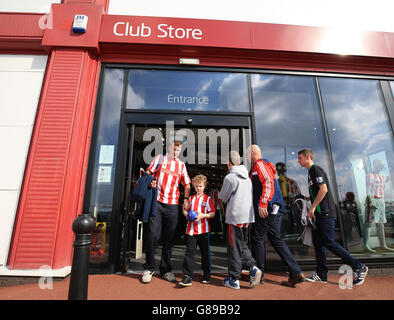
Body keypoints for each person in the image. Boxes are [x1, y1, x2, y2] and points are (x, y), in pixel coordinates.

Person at [297, 148, 368, 286]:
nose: (298, 161)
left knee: (329, 242)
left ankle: (358, 266)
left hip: (326, 213)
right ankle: (321, 274)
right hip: (320, 214)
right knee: (318, 243)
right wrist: (306, 198)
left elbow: (324, 189)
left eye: (300, 158)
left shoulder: (315, 170)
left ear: (307, 158)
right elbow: (318, 192)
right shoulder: (310, 173)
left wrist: (311, 208)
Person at [247, 145, 305, 287]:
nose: (248, 157)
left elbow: (268, 183)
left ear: (253, 153)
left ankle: (259, 274)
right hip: (274, 209)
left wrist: (263, 203)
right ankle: (295, 272)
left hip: (268, 209)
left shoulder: (260, 164)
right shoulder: (263, 165)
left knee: (258, 238)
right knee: (275, 239)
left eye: (248, 154)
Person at [142, 140, 191, 284]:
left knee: (169, 238)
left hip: (172, 205)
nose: (175, 152)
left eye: (178, 150)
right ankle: (149, 268)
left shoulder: (181, 165)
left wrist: (186, 199)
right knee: (153, 235)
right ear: (169, 148)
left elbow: (187, 184)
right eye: (174, 149)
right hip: (156, 202)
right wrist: (150, 181)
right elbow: (148, 172)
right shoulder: (160, 159)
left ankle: (165, 269)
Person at [218, 151, 262, 290]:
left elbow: (223, 197)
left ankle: (233, 279)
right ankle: (252, 267)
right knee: (241, 245)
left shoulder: (230, 178)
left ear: (228, 162)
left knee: (234, 248)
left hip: (235, 216)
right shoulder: (247, 178)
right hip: (247, 217)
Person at [179, 174, 215, 287]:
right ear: (193, 186)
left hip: (204, 230)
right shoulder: (190, 198)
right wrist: (187, 215)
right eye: (196, 186)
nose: (198, 188)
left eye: (200, 186)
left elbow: (212, 213)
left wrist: (202, 216)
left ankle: (207, 273)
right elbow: (184, 210)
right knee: (190, 253)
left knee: (205, 253)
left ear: (204, 186)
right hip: (191, 230)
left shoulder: (208, 199)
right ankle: (187, 276)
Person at [364, 159, 394, 252]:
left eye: (381, 165)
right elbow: (368, 189)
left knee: (381, 223)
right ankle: (366, 245)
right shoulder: (370, 176)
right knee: (369, 222)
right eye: (378, 164)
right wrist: (371, 201)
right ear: (374, 165)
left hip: (381, 199)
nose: (380, 166)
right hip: (373, 199)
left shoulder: (383, 177)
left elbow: (390, 175)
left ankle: (383, 245)